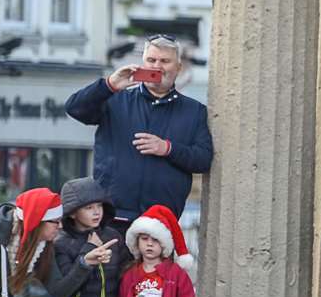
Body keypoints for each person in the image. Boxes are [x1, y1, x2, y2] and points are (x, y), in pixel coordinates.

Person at [64, 34, 213, 222]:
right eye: (151, 60)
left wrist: (168, 149)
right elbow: (74, 109)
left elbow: (204, 159)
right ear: (142, 63)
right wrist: (109, 84)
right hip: (113, 218)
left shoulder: (194, 111)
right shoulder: (115, 99)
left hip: (161, 222)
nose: (157, 66)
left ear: (178, 68)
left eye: (165, 61)